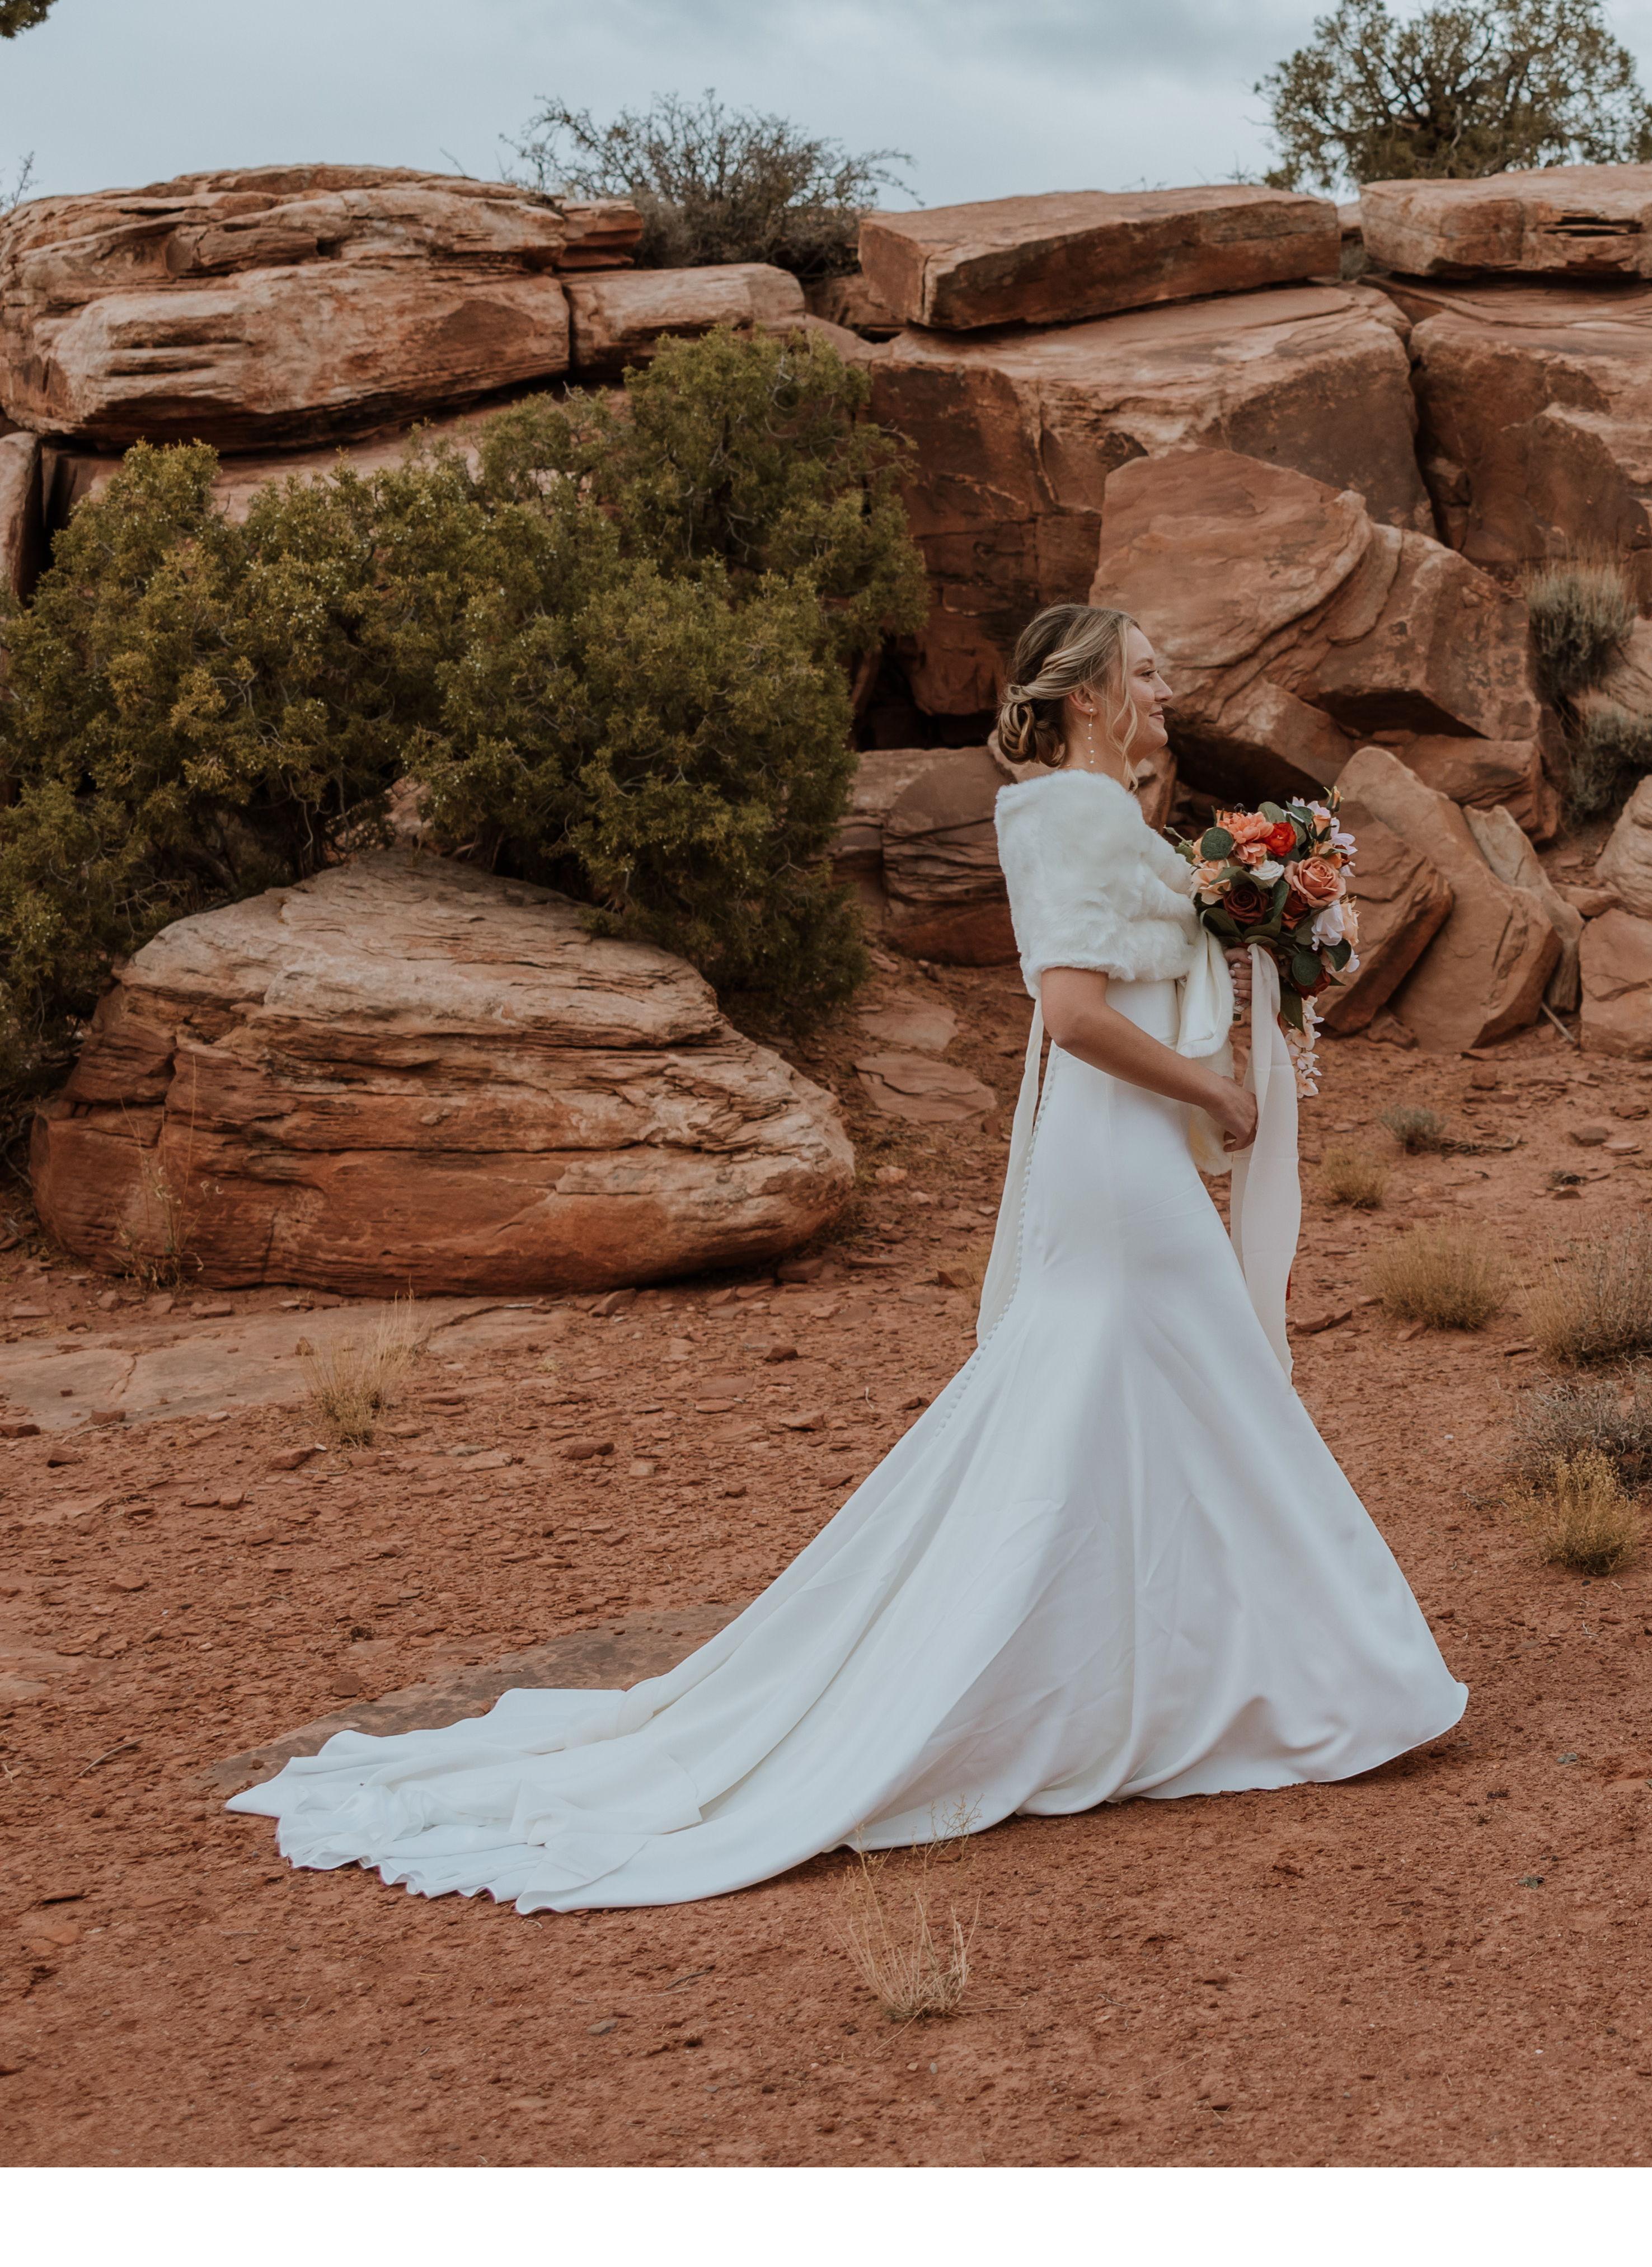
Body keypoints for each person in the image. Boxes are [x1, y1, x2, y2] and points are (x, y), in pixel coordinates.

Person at [228, 601, 1466, 1908]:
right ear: (1091, 692)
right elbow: (1074, 1012)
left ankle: (1179, 1669)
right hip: (1119, 1159)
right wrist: (1214, 1096)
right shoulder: (1077, 814)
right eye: (1146, 673)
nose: (1166, 689)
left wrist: (1264, 924)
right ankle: (1319, 1672)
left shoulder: (1101, 813)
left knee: (1126, 1399)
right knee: (1197, 1382)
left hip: (1121, 1155)